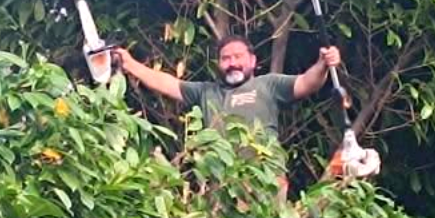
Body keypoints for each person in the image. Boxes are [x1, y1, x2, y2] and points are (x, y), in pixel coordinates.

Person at [113, 36, 340, 143]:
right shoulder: (205, 92)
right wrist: (130, 64)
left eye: (238, 57)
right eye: (225, 58)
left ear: (252, 60)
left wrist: (323, 64)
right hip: (222, 185)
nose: (232, 62)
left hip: (266, 180)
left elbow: (306, 83)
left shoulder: (268, 84)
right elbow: (166, 82)